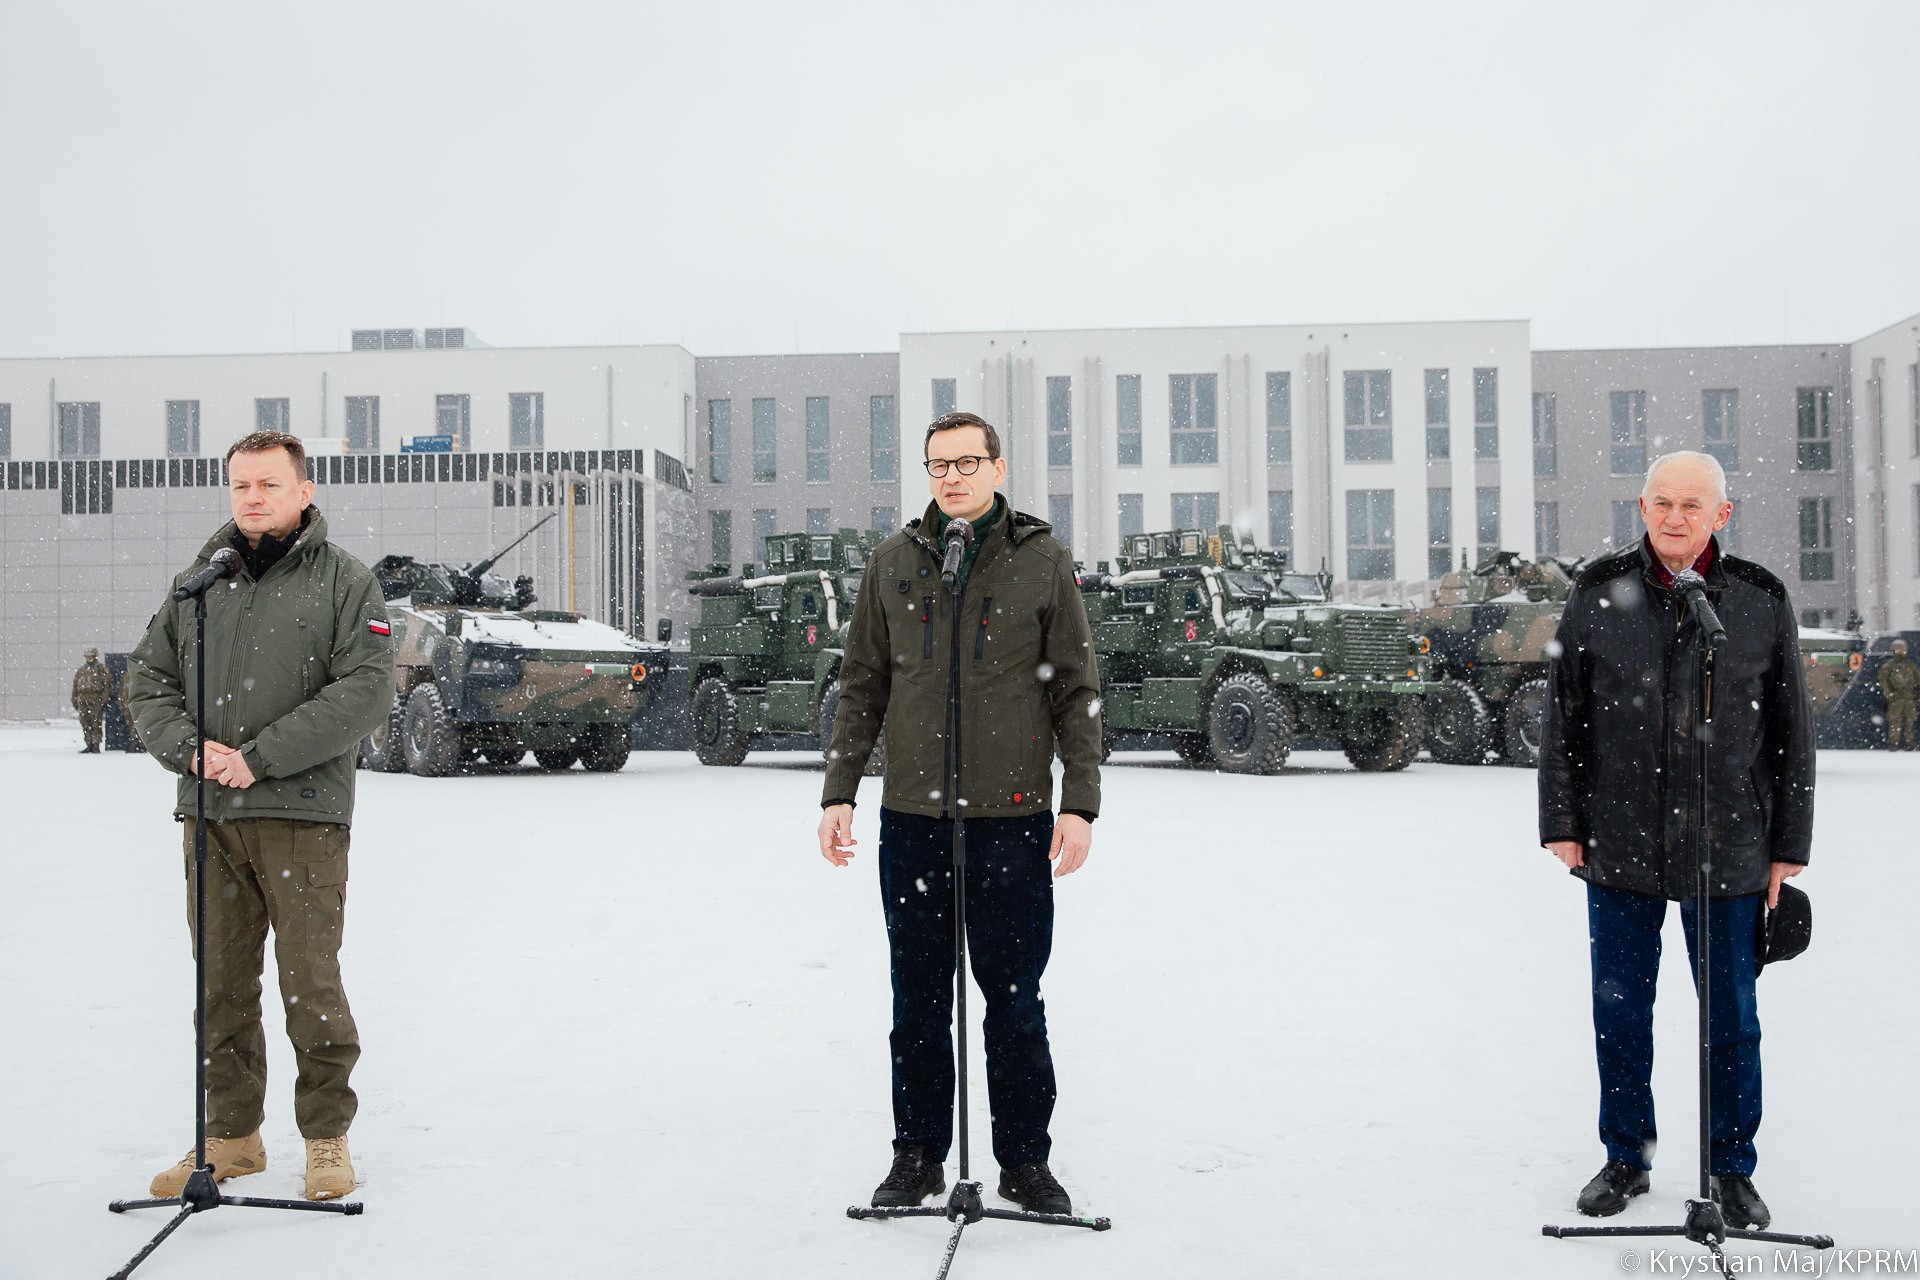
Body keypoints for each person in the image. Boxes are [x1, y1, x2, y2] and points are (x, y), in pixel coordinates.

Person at [817, 410, 1102, 1216]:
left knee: (1014, 999)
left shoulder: (1041, 561)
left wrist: (1080, 803)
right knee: (917, 1000)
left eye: (967, 462)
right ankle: (916, 1156)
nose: (952, 477)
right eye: (938, 464)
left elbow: (1075, 688)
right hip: (914, 820)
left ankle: (1025, 1162)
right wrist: (840, 790)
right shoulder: (894, 563)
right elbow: (861, 684)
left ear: (998, 469)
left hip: (1012, 819)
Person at [1539, 450, 1814, 1229]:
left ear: (1721, 515)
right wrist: (1563, 823)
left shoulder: (1758, 598)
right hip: (1619, 841)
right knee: (1622, 1012)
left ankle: (1730, 1169)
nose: (1674, 517)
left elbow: (1791, 730)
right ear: (1642, 507)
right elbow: (1565, 714)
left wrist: (1788, 846)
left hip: (1730, 845)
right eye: (1661, 502)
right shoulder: (1599, 591)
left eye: (1692, 504)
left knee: (1731, 1019)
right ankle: (1627, 1155)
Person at [128, 431, 395, 1202]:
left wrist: (261, 756)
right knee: (220, 986)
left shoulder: (345, 583)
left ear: (303, 492)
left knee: (310, 982)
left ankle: (325, 1137)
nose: (253, 497)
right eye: (242, 484)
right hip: (210, 816)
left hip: (300, 817)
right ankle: (232, 1137)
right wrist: (187, 750)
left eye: (270, 484)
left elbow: (365, 691)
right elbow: (148, 679)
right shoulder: (199, 583)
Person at [1878, 638, 1918, 750]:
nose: (1903, 651)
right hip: (1896, 698)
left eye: (1904, 649)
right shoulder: (1890, 665)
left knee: (1909, 723)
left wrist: (1917, 694)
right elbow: (1883, 680)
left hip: (1909, 698)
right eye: (1900, 648)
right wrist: (1889, 693)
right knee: (1895, 723)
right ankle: (1894, 744)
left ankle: (1909, 743)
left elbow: (1917, 680)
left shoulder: (1910, 665)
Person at [71, 647, 112, 753]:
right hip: (83, 700)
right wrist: (74, 699)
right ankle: (89, 744)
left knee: (96, 723)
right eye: (87, 656)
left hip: (96, 700)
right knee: (85, 723)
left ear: (95, 656)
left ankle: (96, 745)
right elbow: (75, 686)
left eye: (91, 656)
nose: (89, 658)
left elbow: (107, 685)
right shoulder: (82, 670)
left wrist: (104, 700)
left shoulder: (101, 669)